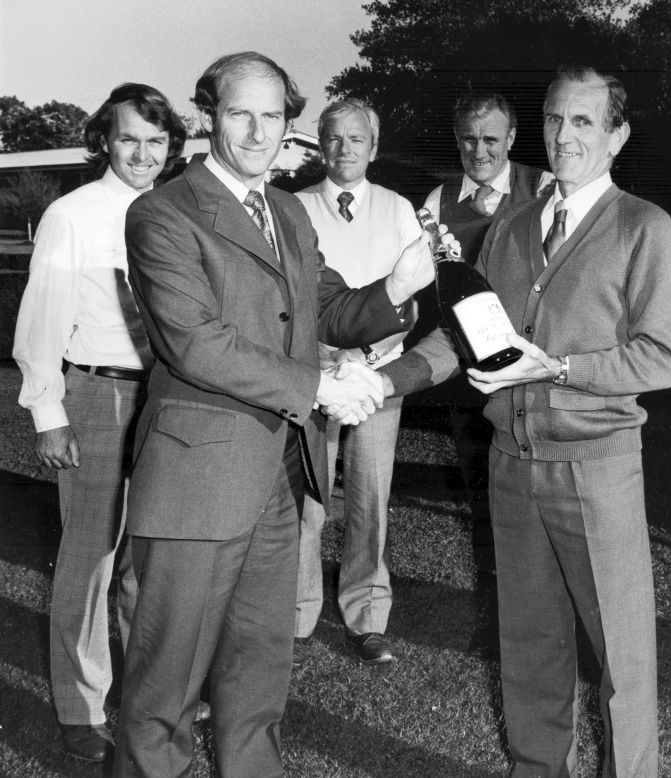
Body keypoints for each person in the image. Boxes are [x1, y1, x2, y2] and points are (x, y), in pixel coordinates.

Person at [112, 52, 435, 778]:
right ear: (206, 117)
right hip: (200, 483)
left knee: (258, 680)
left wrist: (399, 284)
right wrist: (319, 388)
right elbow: (197, 344)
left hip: (281, 480)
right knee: (164, 692)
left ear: (291, 126)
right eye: (239, 114)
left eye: (274, 116)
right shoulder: (161, 214)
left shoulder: (287, 209)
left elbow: (327, 309)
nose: (258, 132)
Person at [381, 66, 671, 777]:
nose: (564, 135)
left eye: (583, 122)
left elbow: (662, 357)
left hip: (596, 466)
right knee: (529, 645)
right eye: (554, 119)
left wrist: (557, 369)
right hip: (512, 465)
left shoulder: (644, 226)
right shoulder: (514, 225)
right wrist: (383, 380)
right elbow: (464, 332)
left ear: (617, 135)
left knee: (622, 656)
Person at [12, 83, 186, 762]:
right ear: (104, 142)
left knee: (155, 557)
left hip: (172, 398)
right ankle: (81, 706)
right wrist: (49, 413)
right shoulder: (71, 214)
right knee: (91, 560)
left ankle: (147, 694)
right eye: (129, 139)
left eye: (156, 140)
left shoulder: (178, 209)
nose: (143, 153)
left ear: (172, 145)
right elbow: (39, 323)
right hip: (101, 395)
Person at [422, 92, 552, 654]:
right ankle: (499, 615)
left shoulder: (545, 186)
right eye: (469, 139)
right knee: (485, 493)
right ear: (457, 141)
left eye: (490, 139)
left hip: (531, 370)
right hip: (467, 374)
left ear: (512, 138)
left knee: (540, 493)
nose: (479, 150)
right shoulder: (438, 199)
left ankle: (548, 618)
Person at [293, 98, 421, 665]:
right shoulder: (292, 208)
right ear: (320, 143)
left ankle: (367, 615)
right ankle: (293, 617)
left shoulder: (398, 210)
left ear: (375, 147)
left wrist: (363, 361)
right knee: (305, 501)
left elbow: (412, 297)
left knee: (370, 497)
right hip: (311, 377)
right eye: (334, 138)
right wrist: (327, 362)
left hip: (374, 378)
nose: (345, 149)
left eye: (357, 139)